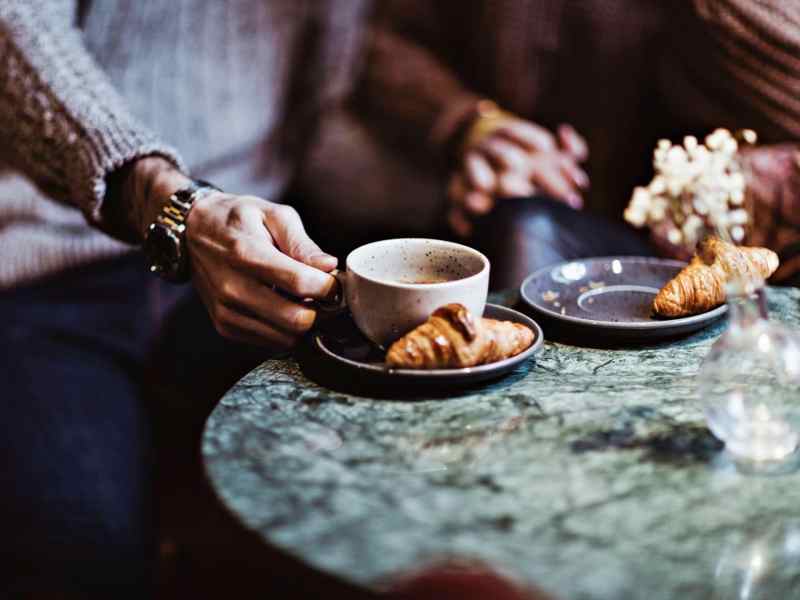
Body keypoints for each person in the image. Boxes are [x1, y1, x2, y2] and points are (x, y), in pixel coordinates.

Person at [0, 0, 369, 596]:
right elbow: (16, 30)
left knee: (353, 500)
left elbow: (318, 128)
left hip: (243, 252)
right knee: (80, 546)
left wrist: (459, 159)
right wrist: (168, 203)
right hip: (35, 261)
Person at [299, 0, 800, 288]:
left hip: (733, 247)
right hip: (546, 217)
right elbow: (381, 45)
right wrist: (473, 128)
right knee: (523, 229)